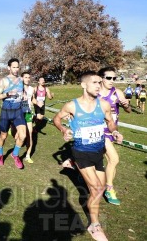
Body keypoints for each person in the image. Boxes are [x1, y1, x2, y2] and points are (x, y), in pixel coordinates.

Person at [53, 71, 122, 241]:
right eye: (95, 82)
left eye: (100, 82)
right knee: (97, 189)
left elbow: (110, 122)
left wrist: (114, 132)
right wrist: (64, 130)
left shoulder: (104, 105)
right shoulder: (72, 106)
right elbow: (56, 119)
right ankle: (95, 225)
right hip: (81, 152)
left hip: (98, 151)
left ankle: (93, 216)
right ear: (84, 85)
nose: (99, 85)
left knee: (98, 190)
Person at [97, 67, 131, 206]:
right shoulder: (95, 92)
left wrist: (126, 105)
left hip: (112, 130)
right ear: (101, 79)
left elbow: (128, 110)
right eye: (109, 78)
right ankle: (109, 189)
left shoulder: (117, 92)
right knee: (114, 159)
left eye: (114, 78)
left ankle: (81, 166)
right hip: (99, 131)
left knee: (107, 161)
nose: (112, 81)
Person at [0, 58, 26, 169]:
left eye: (17, 67)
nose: (16, 69)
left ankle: (15, 154)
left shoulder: (21, 80)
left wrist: (26, 109)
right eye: (14, 67)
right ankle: (0, 153)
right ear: (9, 68)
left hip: (18, 111)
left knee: (23, 135)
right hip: (6, 111)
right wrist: (7, 94)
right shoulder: (4, 81)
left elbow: (23, 95)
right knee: (3, 136)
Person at [21, 71, 36, 163]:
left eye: (28, 77)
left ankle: (27, 155)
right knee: (19, 135)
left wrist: (38, 102)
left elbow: (32, 99)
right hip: (18, 112)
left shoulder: (32, 89)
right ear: (22, 78)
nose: (27, 79)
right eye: (25, 77)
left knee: (30, 133)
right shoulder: (18, 87)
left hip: (28, 112)